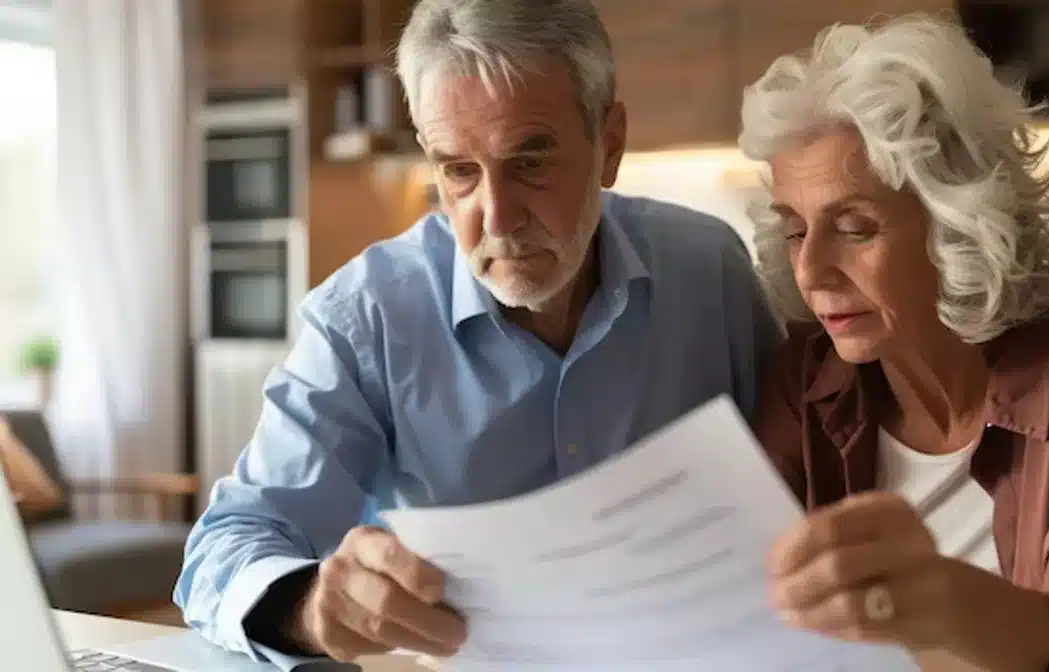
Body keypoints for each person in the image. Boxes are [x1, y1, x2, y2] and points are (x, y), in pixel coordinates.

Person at [173, 0, 781, 666]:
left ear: (609, 146)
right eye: (458, 170)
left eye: (529, 162)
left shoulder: (709, 271)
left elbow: (797, 482)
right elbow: (226, 547)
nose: (496, 217)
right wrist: (310, 607)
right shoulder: (366, 318)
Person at [743, 14, 1049, 672]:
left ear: (957, 221)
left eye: (855, 227)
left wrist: (935, 600)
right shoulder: (808, 381)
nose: (811, 271)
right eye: (795, 230)